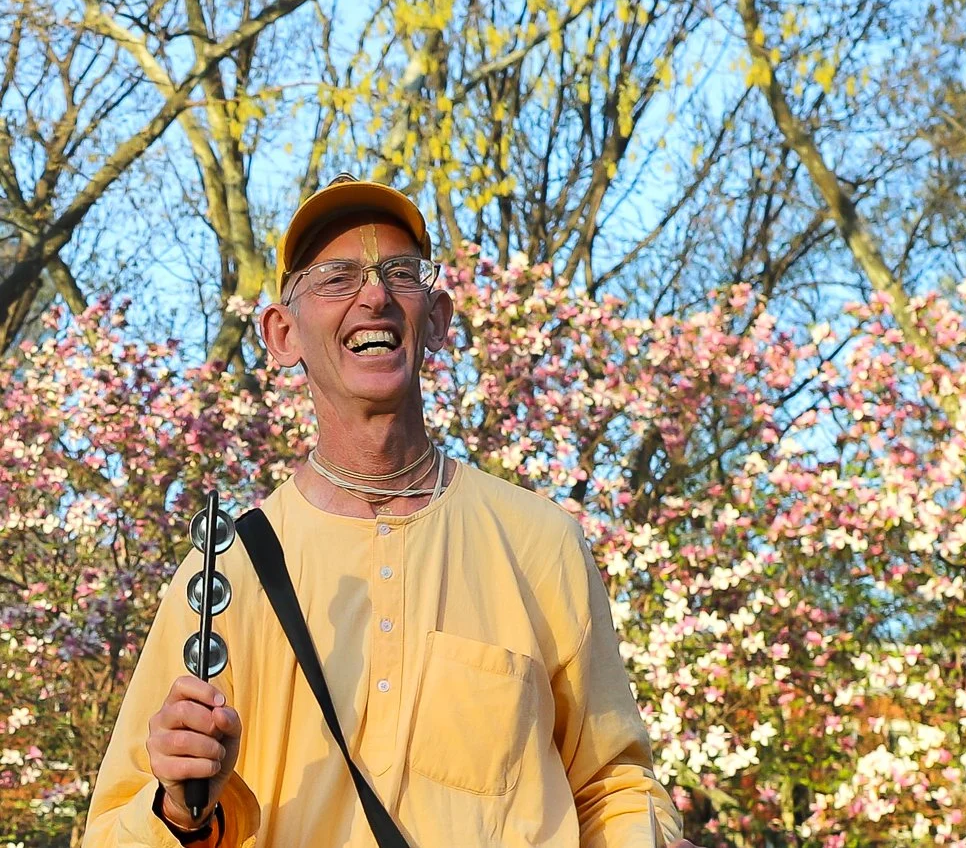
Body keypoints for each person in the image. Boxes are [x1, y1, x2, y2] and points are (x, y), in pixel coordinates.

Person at [82, 174, 692, 847]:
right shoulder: (222, 581)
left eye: (399, 273)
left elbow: (612, 790)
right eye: (336, 278)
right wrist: (180, 809)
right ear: (281, 334)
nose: (373, 294)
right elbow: (115, 825)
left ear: (436, 319)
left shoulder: (539, 542)